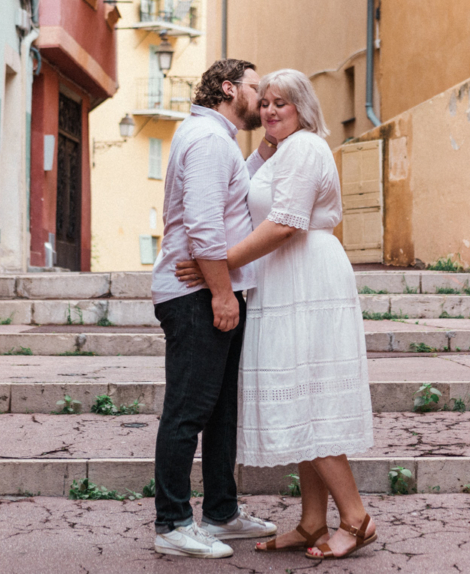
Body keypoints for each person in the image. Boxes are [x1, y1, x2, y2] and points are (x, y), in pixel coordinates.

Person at [178, 69, 378, 560]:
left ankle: (356, 519)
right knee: (300, 399)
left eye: (281, 103)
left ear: (303, 108)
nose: (268, 110)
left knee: (313, 400)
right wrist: (264, 150)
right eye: (263, 102)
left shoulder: (308, 148)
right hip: (282, 280)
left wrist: (216, 267)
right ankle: (313, 523)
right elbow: (244, 188)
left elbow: (286, 223)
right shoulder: (282, 151)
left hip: (308, 276)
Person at [151, 59, 277, 559]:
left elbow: (229, 197)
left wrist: (264, 151)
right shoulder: (207, 140)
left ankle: (221, 514)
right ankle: (173, 523)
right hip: (197, 296)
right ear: (228, 88)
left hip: (211, 287)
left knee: (221, 411)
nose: (262, 96)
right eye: (254, 88)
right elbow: (204, 224)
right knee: (188, 410)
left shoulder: (217, 139)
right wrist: (221, 293)